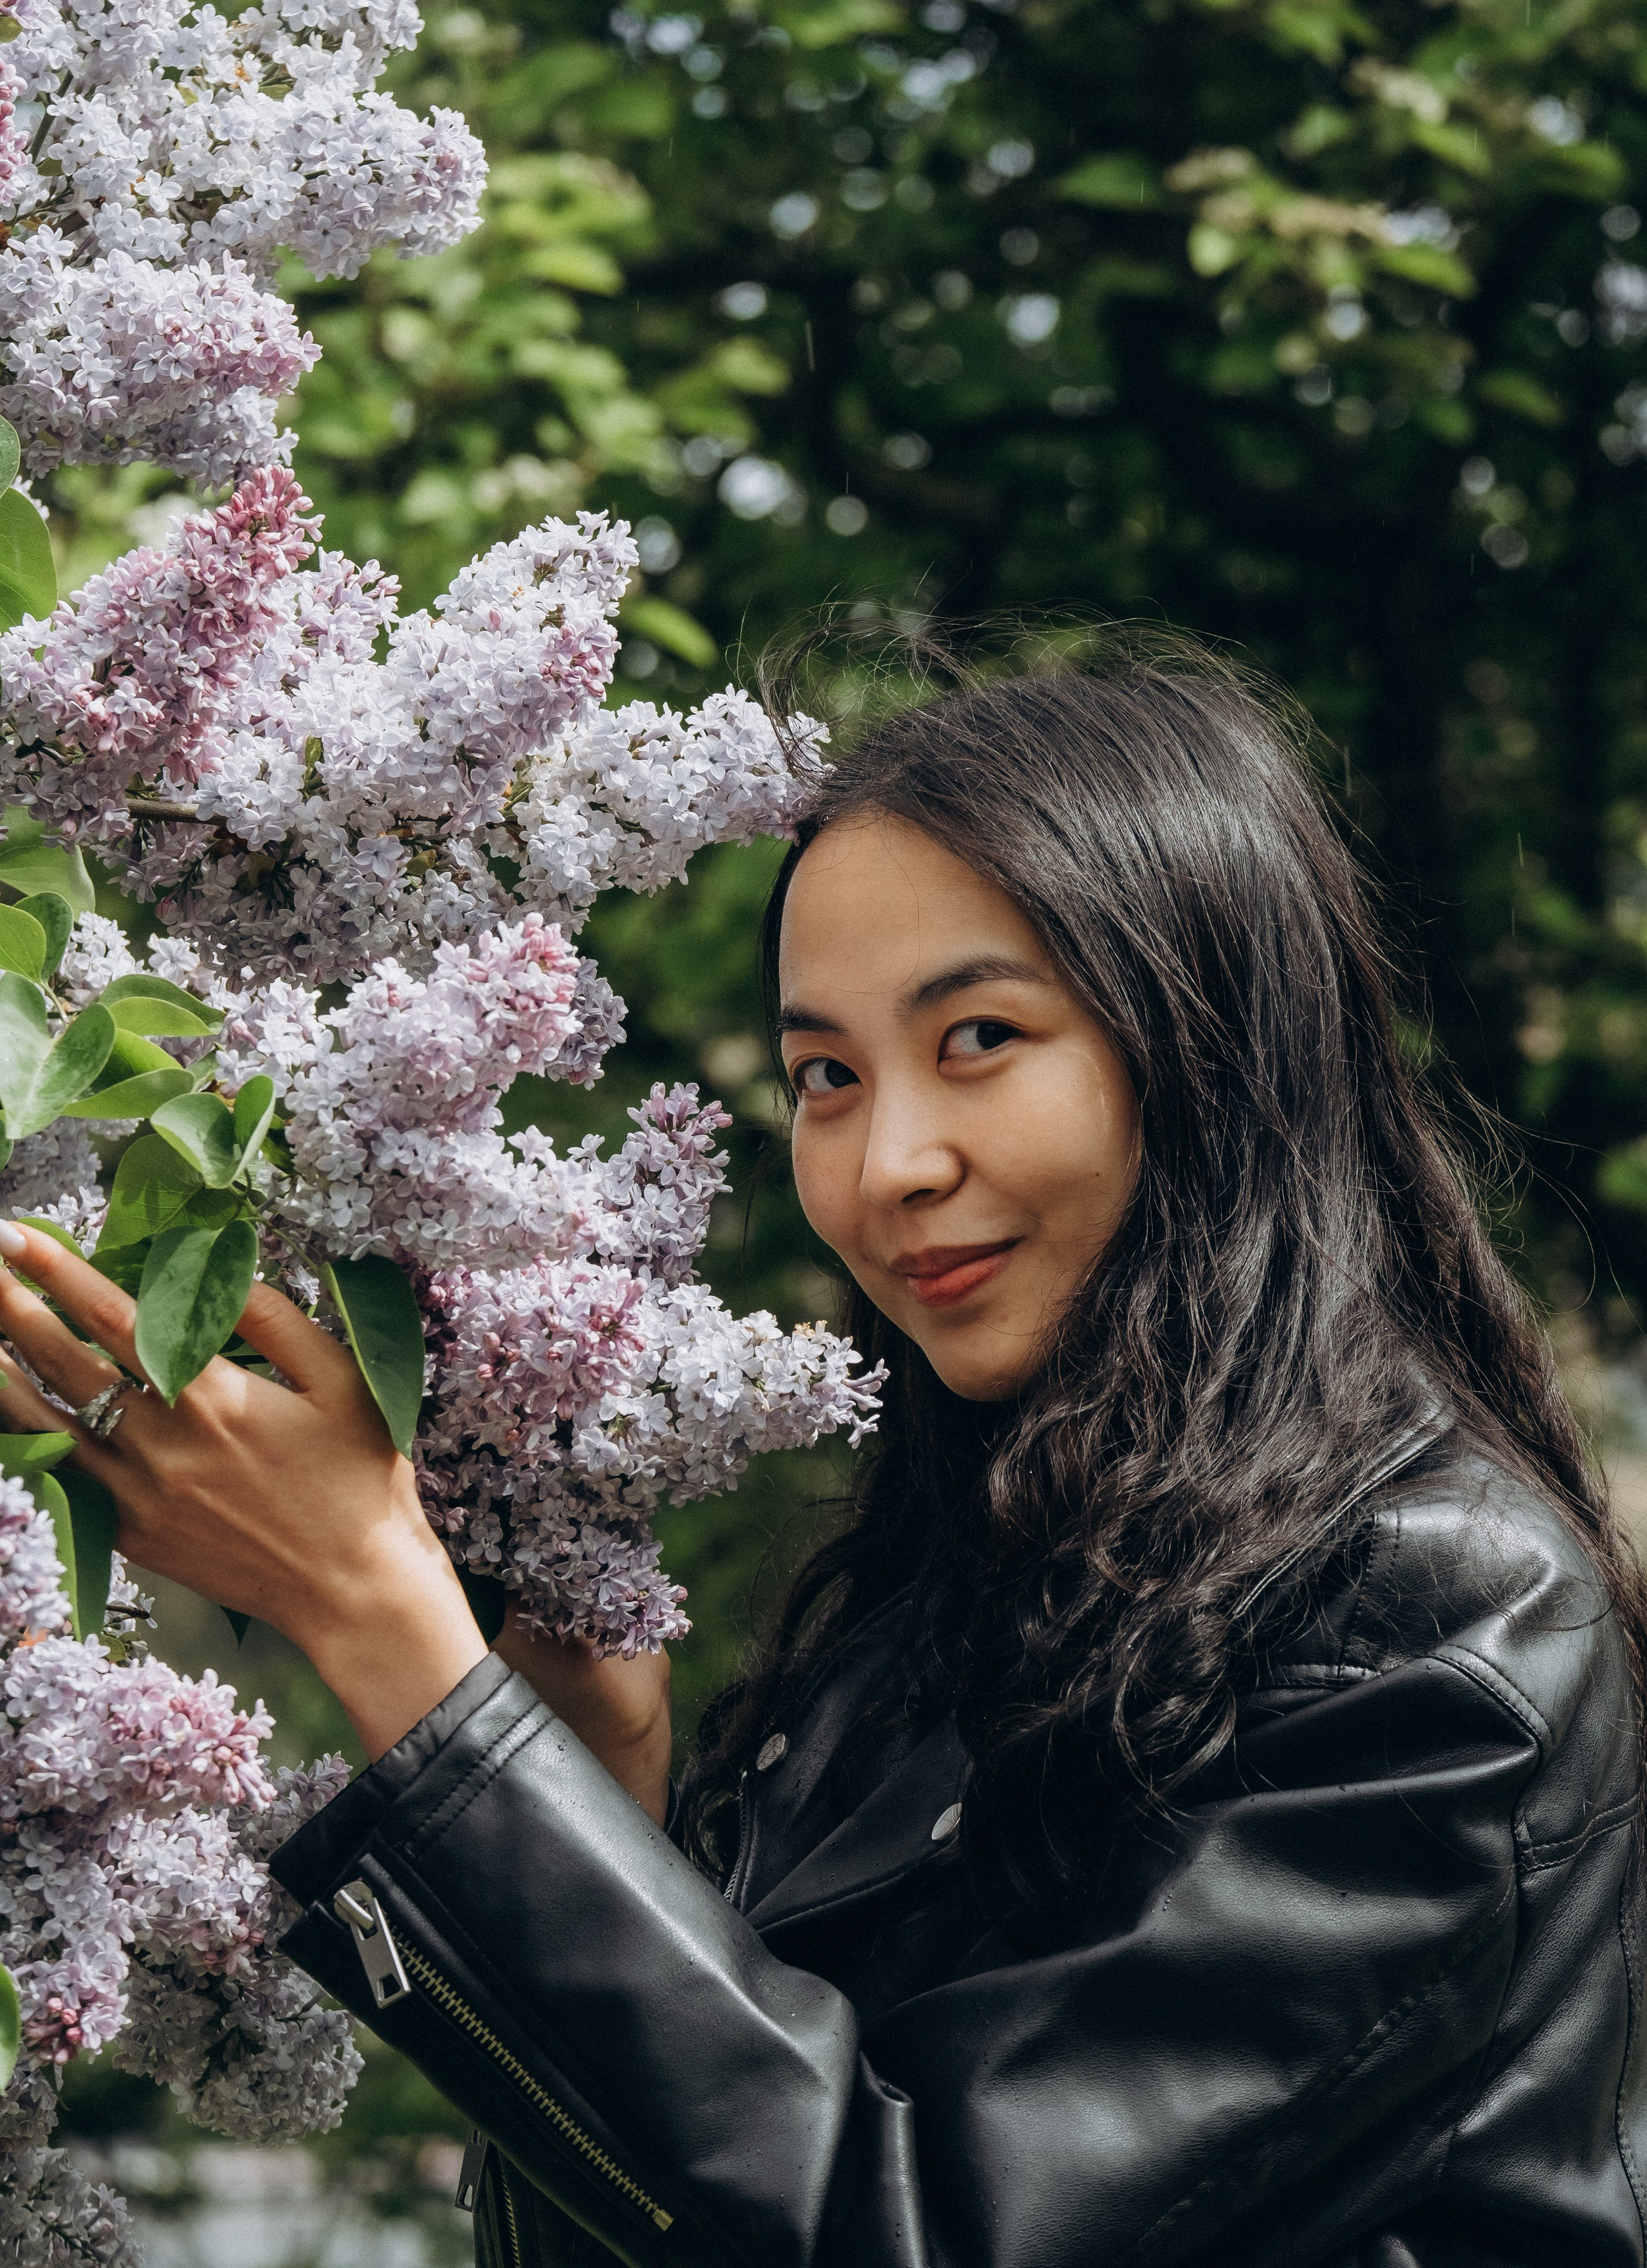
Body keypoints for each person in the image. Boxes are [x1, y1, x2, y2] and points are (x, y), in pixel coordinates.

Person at [3, 651, 1645, 2268]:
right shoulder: (964, 1586)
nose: (889, 1166)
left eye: (980, 1037)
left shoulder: (1430, 1623)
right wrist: (594, 1805)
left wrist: (380, 1622)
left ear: (1214, 1049)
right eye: (825, 1078)